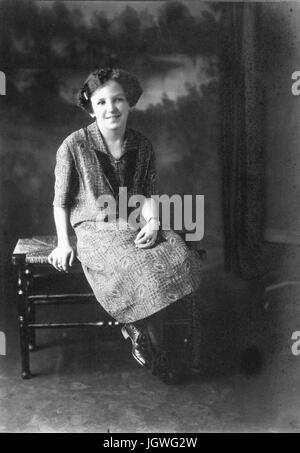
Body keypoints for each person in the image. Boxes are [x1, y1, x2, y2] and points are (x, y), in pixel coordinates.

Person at [48, 68, 202, 384]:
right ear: (90, 107)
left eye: (118, 100)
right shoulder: (74, 146)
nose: (111, 108)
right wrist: (64, 243)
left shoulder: (141, 146)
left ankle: (163, 341)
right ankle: (143, 339)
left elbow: (146, 195)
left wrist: (154, 223)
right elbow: (60, 202)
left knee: (178, 256)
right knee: (137, 266)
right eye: (101, 102)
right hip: (95, 228)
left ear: (130, 102)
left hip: (133, 221)